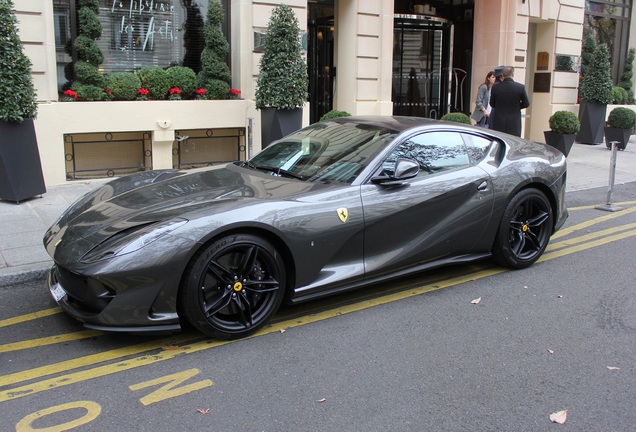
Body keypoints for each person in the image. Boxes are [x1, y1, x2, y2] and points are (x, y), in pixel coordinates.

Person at [489, 66, 530, 136]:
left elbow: (492, 104)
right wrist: (516, 106)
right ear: (512, 74)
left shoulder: (496, 87)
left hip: (499, 121)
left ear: (502, 75)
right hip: (514, 121)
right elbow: (526, 103)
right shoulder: (520, 87)